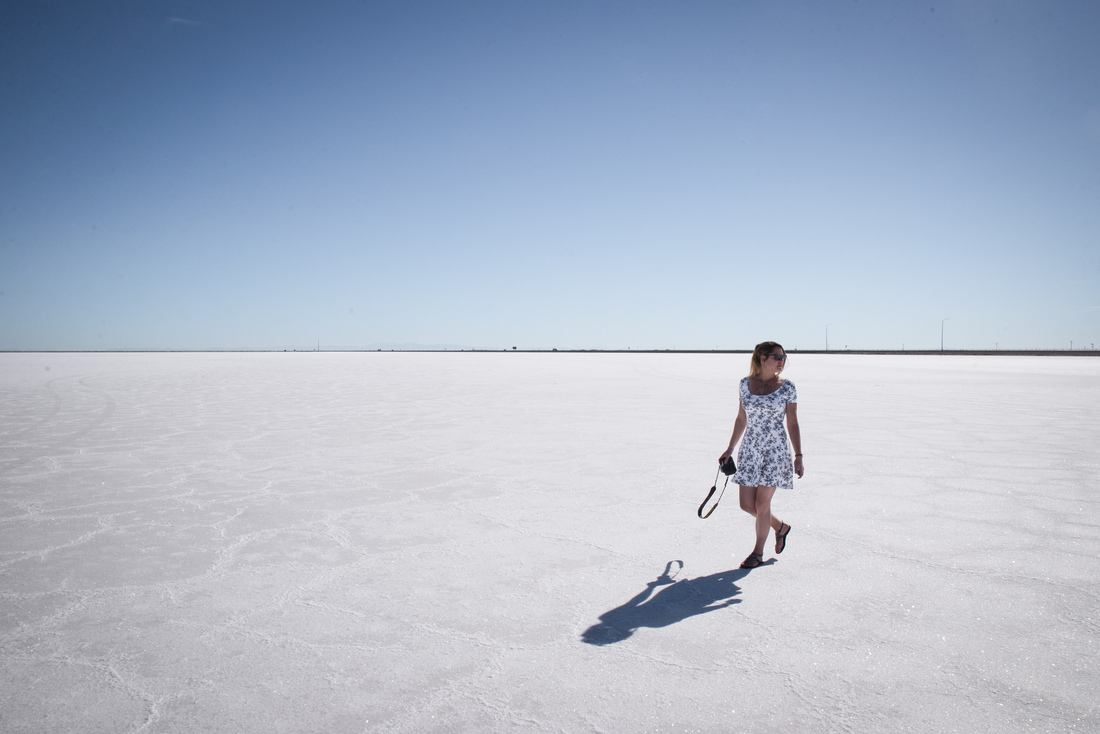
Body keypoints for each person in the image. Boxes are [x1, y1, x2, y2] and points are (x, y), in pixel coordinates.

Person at [718, 341, 804, 569]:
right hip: (750, 449)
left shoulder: (787, 387)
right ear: (762, 358)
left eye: (784, 357)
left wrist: (798, 455)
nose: (781, 361)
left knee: (762, 503)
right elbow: (741, 418)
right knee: (747, 505)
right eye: (777, 357)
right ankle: (780, 527)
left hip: (775, 451)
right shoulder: (744, 384)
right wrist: (730, 448)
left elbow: (792, 422)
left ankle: (757, 553)